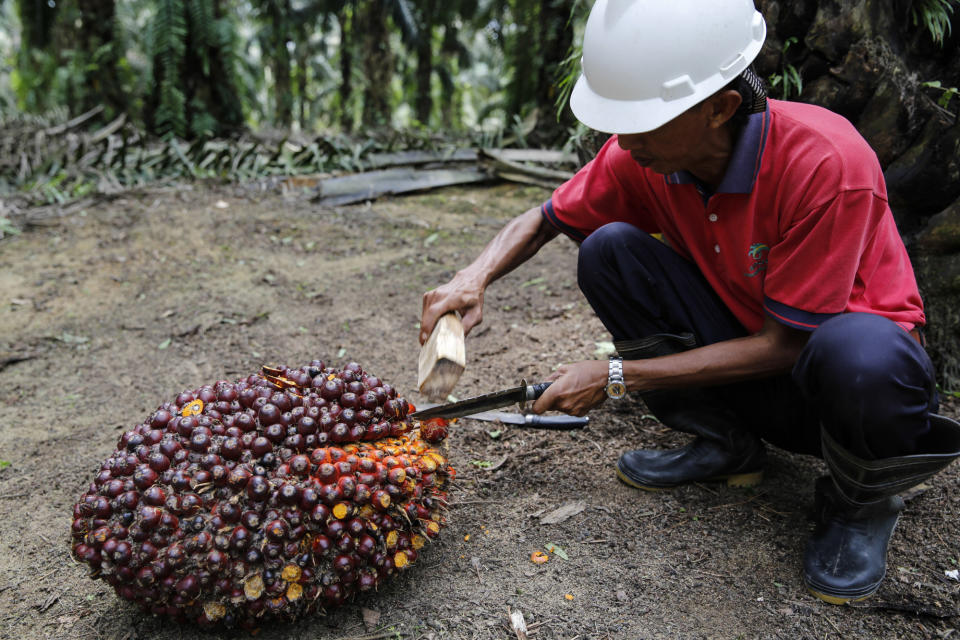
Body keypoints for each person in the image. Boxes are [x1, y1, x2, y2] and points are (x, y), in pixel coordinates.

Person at [419, 0, 960, 605]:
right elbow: (547, 218)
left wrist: (618, 376)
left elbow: (789, 345)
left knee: (856, 350)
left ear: (720, 108)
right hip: (756, 358)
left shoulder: (826, 161)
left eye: (641, 123)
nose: (620, 141)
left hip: (851, 391)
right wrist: (475, 275)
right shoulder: (647, 156)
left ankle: (864, 498)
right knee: (608, 250)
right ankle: (726, 442)